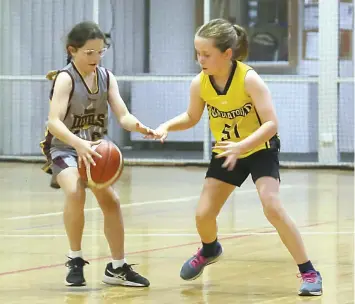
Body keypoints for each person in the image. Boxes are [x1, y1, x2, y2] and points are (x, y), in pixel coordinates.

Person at [154, 18, 322, 296]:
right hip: (227, 151)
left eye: (206, 54)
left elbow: (271, 124)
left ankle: (309, 272)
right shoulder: (200, 83)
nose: (200, 59)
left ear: (227, 53)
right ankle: (210, 249)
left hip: (259, 149)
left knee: (272, 206)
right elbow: (191, 116)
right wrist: (167, 126)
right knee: (203, 215)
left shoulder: (249, 79)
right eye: (197, 53)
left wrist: (242, 146)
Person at [40, 21, 156, 287]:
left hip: (93, 146)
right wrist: (77, 144)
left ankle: (116, 268)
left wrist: (139, 127)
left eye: (100, 52)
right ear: (73, 51)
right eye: (89, 52)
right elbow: (53, 122)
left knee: (111, 202)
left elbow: (123, 115)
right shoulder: (66, 78)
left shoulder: (106, 76)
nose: (95, 57)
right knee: (74, 191)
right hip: (64, 146)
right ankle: (75, 259)